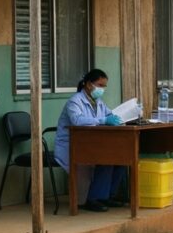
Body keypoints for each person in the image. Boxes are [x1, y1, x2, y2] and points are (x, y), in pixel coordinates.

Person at [54, 68, 127, 212]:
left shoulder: (98, 101)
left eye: (104, 86)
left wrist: (123, 117)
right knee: (106, 159)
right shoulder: (74, 102)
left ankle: (107, 196)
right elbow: (77, 120)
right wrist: (103, 120)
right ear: (88, 84)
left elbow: (110, 114)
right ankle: (94, 198)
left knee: (121, 159)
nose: (102, 89)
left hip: (91, 143)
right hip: (73, 145)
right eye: (100, 85)